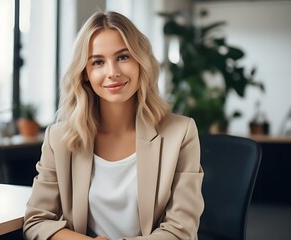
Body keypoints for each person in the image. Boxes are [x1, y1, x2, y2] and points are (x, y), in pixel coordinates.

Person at [23, 11, 204, 240]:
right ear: (85, 74)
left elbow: (181, 231)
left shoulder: (181, 133)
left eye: (123, 57)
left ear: (141, 61)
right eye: (98, 62)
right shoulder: (59, 138)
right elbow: (36, 221)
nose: (113, 72)